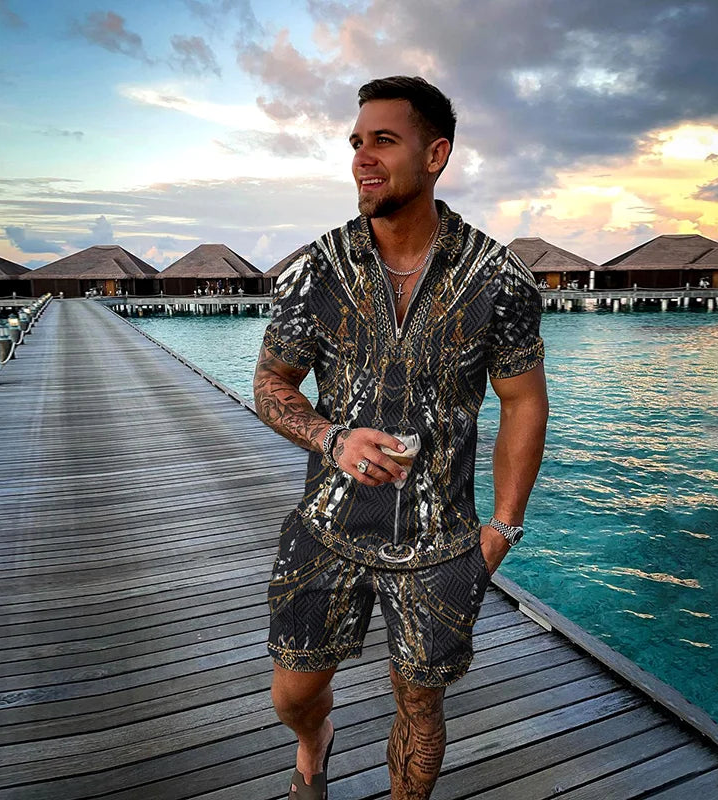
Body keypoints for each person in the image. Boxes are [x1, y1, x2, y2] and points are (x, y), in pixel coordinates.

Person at [253, 76, 548, 800]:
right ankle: (314, 740)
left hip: (440, 541)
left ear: (435, 154)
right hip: (326, 527)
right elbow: (271, 383)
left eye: (384, 140)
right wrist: (332, 438)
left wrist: (503, 527)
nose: (363, 157)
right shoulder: (316, 271)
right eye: (357, 142)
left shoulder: (498, 279)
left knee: (419, 704)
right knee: (292, 693)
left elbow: (522, 402)